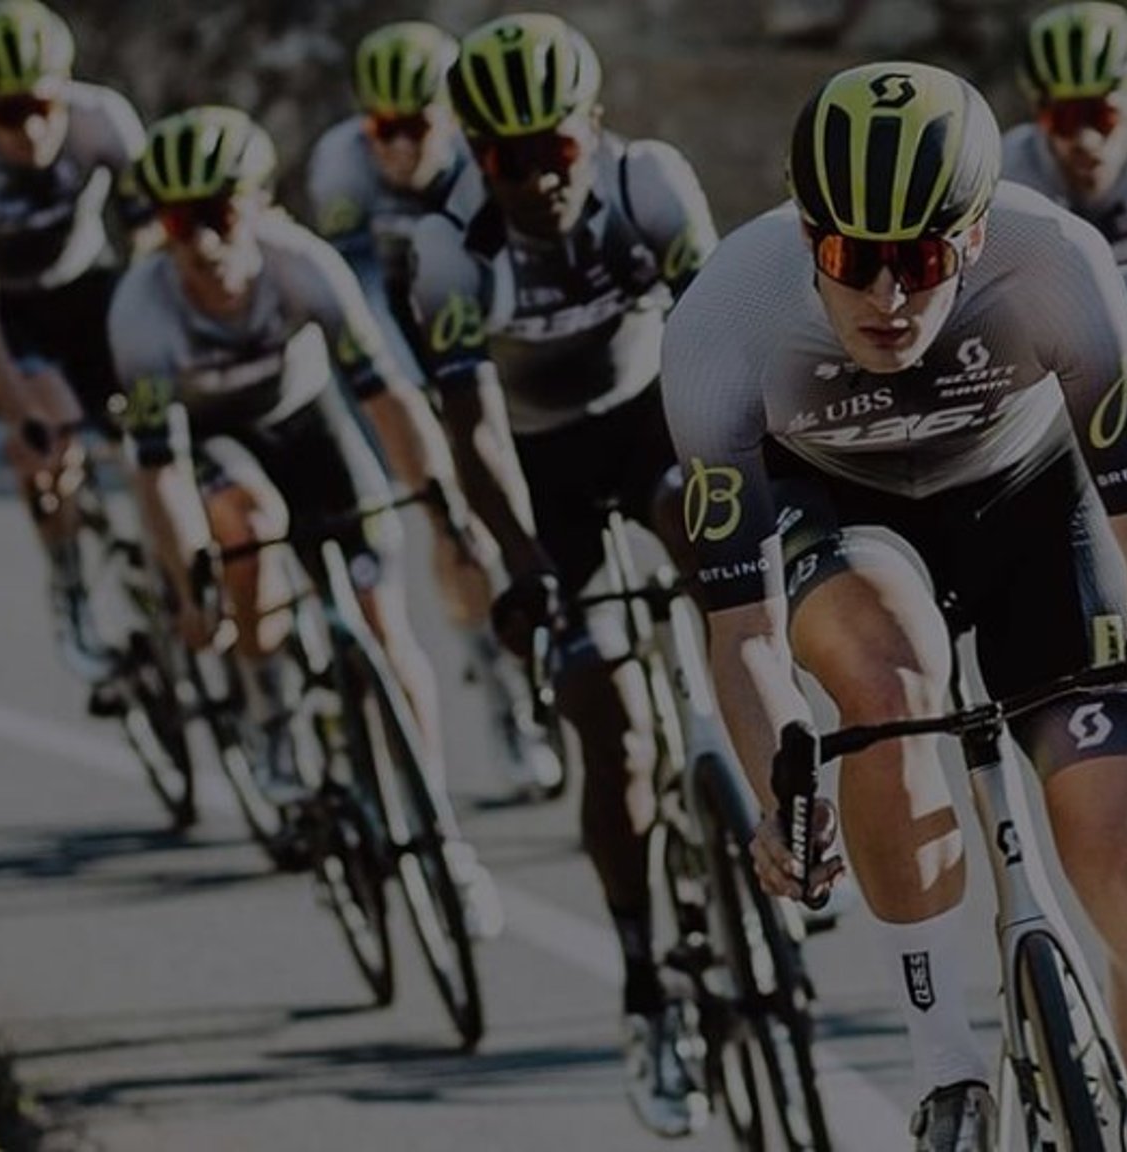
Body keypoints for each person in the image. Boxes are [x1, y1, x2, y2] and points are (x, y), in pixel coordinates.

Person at [666, 62, 1127, 1152]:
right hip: (841, 509)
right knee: (886, 679)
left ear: (973, 238)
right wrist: (775, 788)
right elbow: (741, 632)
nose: (889, 298)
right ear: (806, 234)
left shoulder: (1059, 264)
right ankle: (947, 1070)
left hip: (1033, 508)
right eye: (853, 260)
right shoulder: (721, 325)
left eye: (924, 260)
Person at [388, 10, 721, 1134]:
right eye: (504, 155)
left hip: (647, 416)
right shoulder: (446, 247)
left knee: (706, 523)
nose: (535, 177)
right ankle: (641, 974)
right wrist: (521, 566)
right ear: (472, 151)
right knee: (608, 727)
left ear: (593, 126)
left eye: (555, 149)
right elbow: (470, 430)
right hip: (537, 468)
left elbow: (720, 336)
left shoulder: (651, 182)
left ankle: (749, 764)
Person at [102, 108, 529, 853]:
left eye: (220, 215)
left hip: (303, 421)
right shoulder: (141, 309)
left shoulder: (304, 265)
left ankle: (436, 830)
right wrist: (190, 575)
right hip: (206, 440)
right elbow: (160, 474)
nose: (202, 242)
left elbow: (390, 400)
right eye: (179, 224)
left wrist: (440, 505)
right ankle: (266, 706)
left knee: (384, 619)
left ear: (260, 206)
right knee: (251, 521)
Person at [0, 0, 152, 687]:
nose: (30, 129)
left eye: (42, 106)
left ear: (65, 89)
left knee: (147, 418)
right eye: (6, 114)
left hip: (85, 283)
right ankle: (69, 582)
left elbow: (150, 248)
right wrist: (22, 413)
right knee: (50, 427)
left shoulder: (103, 119)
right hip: (3, 306)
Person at [1002, 2, 1127, 264]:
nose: (1085, 139)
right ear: (1038, 116)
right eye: (1063, 118)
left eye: (1103, 115)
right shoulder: (1008, 172)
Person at [305, 21, 486, 271]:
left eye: (416, 127)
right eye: (385, 128)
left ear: (453, 119)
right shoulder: (340, 161)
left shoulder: (481, 156)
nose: (401, 145)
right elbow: (351, 275)